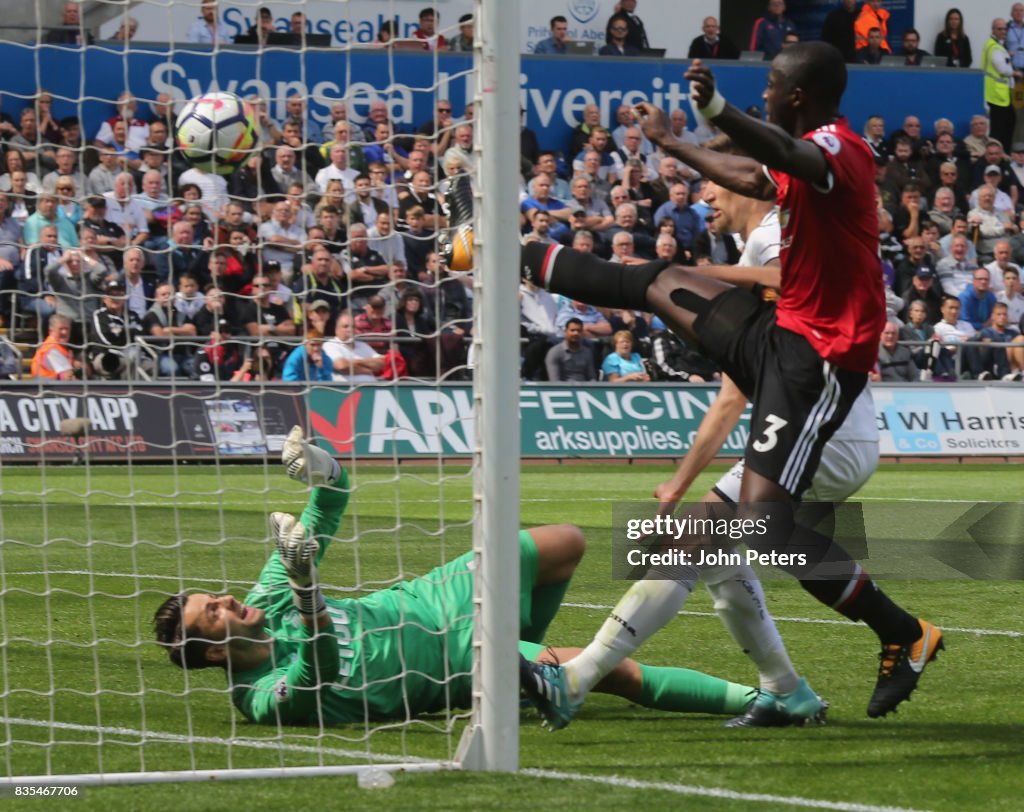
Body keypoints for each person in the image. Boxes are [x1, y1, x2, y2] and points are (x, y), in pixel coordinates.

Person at [501, 44, 942, 720]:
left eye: (770, 84)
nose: (711, 194)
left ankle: (902, 632)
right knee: (657, 282)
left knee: (759, 529)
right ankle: (513, 252)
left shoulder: (839, 152)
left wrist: (713, 110)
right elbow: (760, 172)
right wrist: (676, 142)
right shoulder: (797, 167)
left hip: (816, 368)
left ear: (796, 96)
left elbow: (777, 165)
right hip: (783, 343)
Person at [519, 145, 883, 730]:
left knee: (694, 543)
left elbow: (796, 281)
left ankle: (577, 679)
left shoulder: (773, 235)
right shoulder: (761, 239)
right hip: (831, 433)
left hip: (827, 434)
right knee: (712, 552)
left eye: (712, 183)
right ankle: (787, 691)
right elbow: (735, 392)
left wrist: (689, 278)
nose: (705, 195)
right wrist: (680, 480)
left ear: (750, 186)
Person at [155, 428, 758, 725]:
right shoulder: (261, 702)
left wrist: (325, 470)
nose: (228, 600)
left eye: (216, 598)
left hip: (431, 596)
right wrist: (309, 592)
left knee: (564, 543)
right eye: (213, 612)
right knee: (613, 670)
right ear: (212, 656)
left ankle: (528, 659)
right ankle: (763, 700)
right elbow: (324, 670)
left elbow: (328, 508)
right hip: (452, 657)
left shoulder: (263, 601)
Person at [982, 18, 1021, 153]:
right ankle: (1001, 156)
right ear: (993, 30)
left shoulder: (997, 46)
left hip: (1000, 96)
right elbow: (1002, 69)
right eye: (999, 29)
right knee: (1000, 132)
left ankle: (1003, 155)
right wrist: (1015, 72)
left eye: (1005, 29)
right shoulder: (994, 47)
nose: (1003, 31)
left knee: (1008, 123)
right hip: (996, 96)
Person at [30, 313, 80, 379]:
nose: (64, 332)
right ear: (51, 331)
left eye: (66, 329)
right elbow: (67, 376)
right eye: (61, 329)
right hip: (47, 385)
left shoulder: (61, 346)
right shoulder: (51, 349)